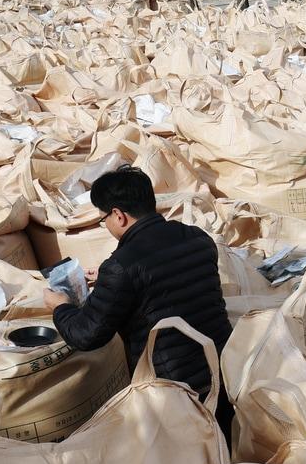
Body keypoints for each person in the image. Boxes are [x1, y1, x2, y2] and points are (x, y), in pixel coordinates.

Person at [43, 165, 235, 439]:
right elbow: (173, 279)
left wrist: (60, 306)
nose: (106, 225)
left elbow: (87, 335)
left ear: (118, 215)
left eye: (103, 219)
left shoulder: (122, 267)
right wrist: (111, 279)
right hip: (223, 370)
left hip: (177, 390)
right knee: (225, 445)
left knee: (193, 462)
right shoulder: (197, 238)